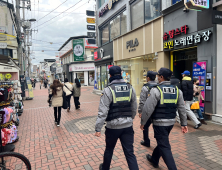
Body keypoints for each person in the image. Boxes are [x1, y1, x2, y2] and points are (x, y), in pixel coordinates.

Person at [141, 67, 188, 170]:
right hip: (171, 122)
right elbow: (181, 108)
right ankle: (154, 159)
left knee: (165, 146)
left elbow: (147, 109)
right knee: (163, 142)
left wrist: (143, 122)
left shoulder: (156, 90)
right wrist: (184, 124)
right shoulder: (177, 91)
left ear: (161, 77)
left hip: (159, 123)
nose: (157, 77)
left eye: (158, 76)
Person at [95, 66, 139, 170]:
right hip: (128, 126)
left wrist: (98, 128)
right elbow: (134, 106)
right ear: (121, 74)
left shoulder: (108, 90)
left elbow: (103, 111)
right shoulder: (130, 87)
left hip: (113, 127)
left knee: (109, 150)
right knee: (130, 153)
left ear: (110, 75)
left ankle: (105, 168)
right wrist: (130, 118)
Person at [138, 71, 157, 147]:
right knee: (156, 127)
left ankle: (147, 141)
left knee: (145, 126)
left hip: (148, 111)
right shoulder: (158, 86)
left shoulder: (145, 87)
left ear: (148, 78)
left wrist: (140, 111)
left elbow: (142, 101)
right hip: (156, 110)